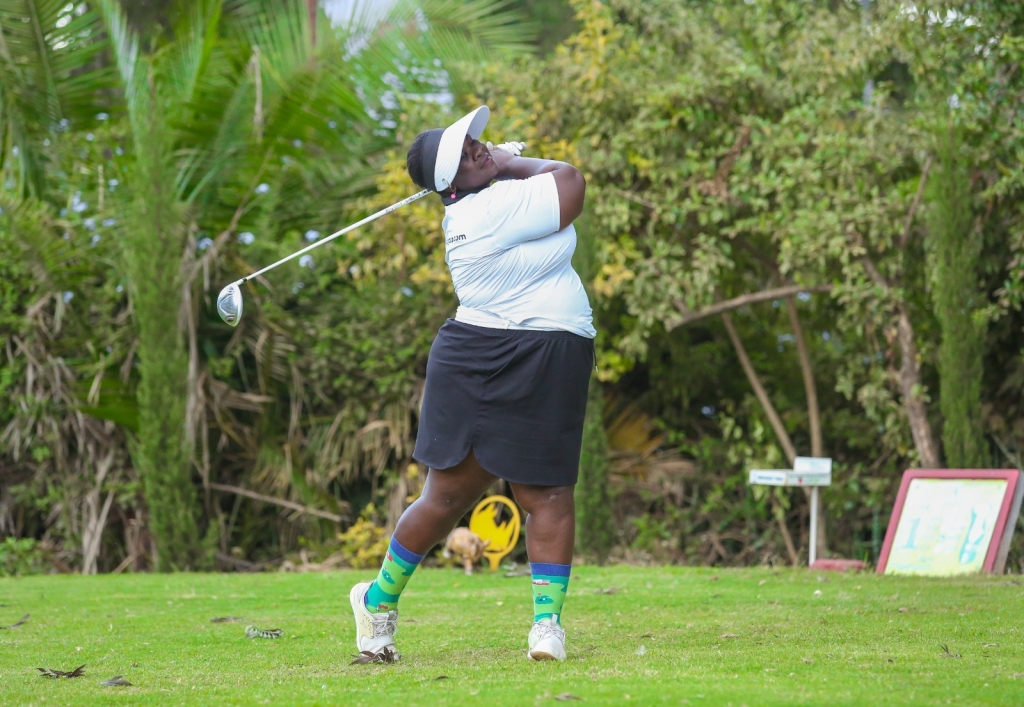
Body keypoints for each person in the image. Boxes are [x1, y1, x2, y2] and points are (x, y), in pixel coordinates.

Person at [349, 106, 595, 662]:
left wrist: (497, 168)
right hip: (483, 359)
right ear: (449, 181)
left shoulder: (493, 198)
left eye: (476, 143)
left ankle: (547, 626)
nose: (479, 148)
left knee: (547, 492)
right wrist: (510, 161)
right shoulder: (488, 209)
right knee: (448, 497)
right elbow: (570, 182)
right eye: (465, 154)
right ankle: (376, 601)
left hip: (550, 354)